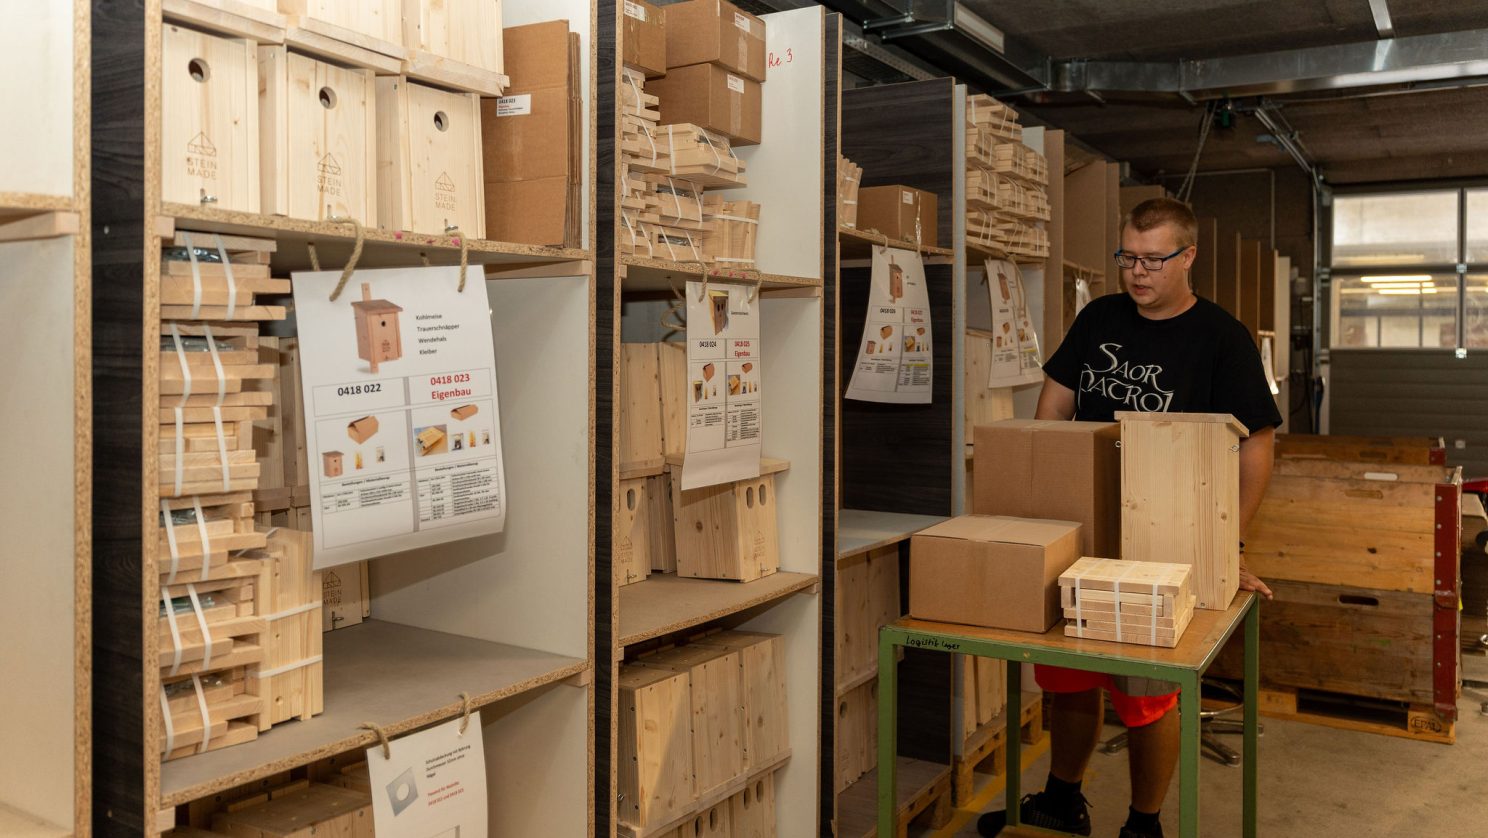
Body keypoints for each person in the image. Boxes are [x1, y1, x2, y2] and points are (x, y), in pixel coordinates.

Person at [978, 198, 1280, 838]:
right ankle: (1062, 801)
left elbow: (1256, 444)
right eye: (1128, 258)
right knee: (1069, 677)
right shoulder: (1098, 318)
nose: (1138, 272)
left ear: (1188, 256)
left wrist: (1228, 544)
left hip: (1164, 544)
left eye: (1153, 260)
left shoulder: (1222, 338)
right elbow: (1051, 414)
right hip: (1084, 531)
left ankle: (1144, 825)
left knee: (1147, 694)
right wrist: (1044, 508)